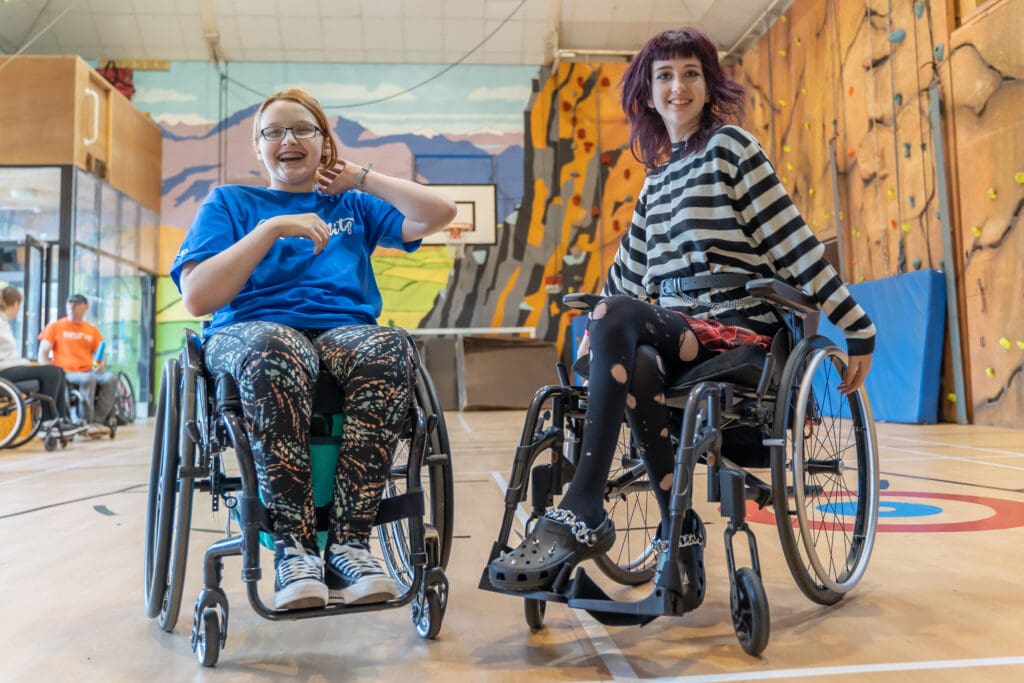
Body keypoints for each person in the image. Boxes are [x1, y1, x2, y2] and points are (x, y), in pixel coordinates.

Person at [488, 28, 876, 592]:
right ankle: (679, 526)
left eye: (690, 72)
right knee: (634, 357)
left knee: (618, 315)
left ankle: (584, 502)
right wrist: (594, 343)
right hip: (677, 334)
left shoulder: (733, 148)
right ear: (648, 93)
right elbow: (621, 277)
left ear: (708, 82)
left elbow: (794, 244)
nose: (678, 86)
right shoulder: (656, 183)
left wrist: (856, 326)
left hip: (738, 330)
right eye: (664, 75)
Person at [171, 87, 456, 611]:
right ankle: (294, 549)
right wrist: (273, 228)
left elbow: (442, 212)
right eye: (273, 131)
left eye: (303, 129)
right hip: (252, 331)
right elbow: (197, 297)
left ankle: (350, 545)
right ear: (258, 150)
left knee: (390, 346)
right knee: (276, 347)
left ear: (325, 143)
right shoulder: (230, 203)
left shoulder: (352, 205)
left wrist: (363, 178)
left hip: (342, 332)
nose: (288, 139)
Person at [37, 293, 117, 428]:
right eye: (69, 304)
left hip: (88, 369)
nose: (71, 308)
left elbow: (101, 353)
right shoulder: (55, 326)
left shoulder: (92, 330)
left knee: (111, 378)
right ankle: (86, 420)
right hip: (66, 371)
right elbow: (43, 352)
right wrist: (49, 371)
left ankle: (98, 420)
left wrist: (101, 365)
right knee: (88, 379)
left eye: (75, 305)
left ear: (85, 307)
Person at [0, 286, 76, 427]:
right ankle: (47, 420)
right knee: (52, 372)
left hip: (9, 367)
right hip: (3, 371)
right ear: (16, 305)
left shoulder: (4, 323)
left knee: (58, 371)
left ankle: (62, 418)